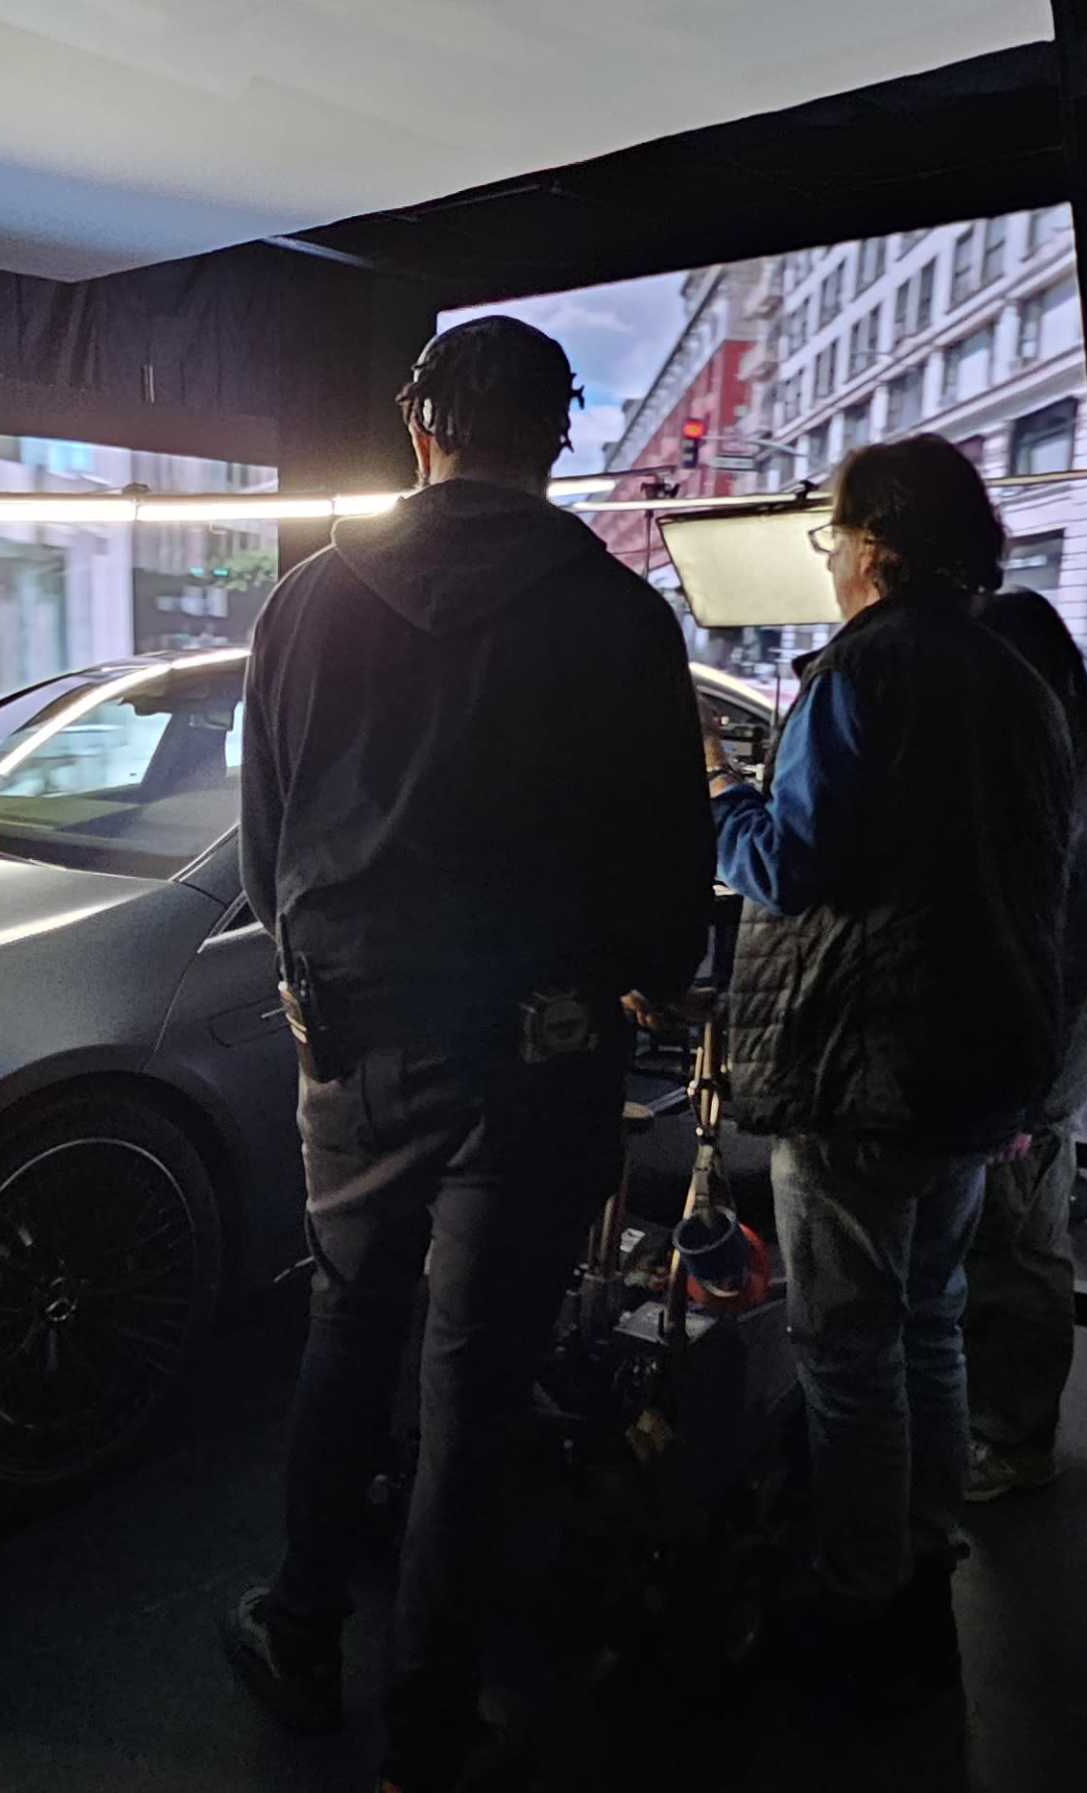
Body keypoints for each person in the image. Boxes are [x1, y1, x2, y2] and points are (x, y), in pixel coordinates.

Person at [222, 317, 712, 1790]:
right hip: (540, 1060)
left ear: (417, 426)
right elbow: (667, 898)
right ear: (557, 439)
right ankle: (430, 1717)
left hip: (358, 1052)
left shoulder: (303, 605)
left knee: (348, 1334)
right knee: (479, 1384)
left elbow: (263, 855)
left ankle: (304, 1629)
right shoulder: (623, 620)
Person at [707, 435, 1077, 1683]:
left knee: (848, 1343)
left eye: (834, 535)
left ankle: (859, 1580)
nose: (830, 558)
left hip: (864, 1067)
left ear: (878, 545)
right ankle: (923, 1542)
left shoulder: (864, 672)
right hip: (979, 1062)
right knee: (932, 1314)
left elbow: (790, 863)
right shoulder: (1017, 674)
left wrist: (718, 794)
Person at [957, 587, 1087, 1504]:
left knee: (1017, 1249)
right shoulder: (1073, 770)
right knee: (1021, 1227)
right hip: (1054, 1026)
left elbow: (1050, 948)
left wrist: (1018, 1097)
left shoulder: (1054, 788)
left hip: (1040, 1038)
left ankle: (1016, 1440)